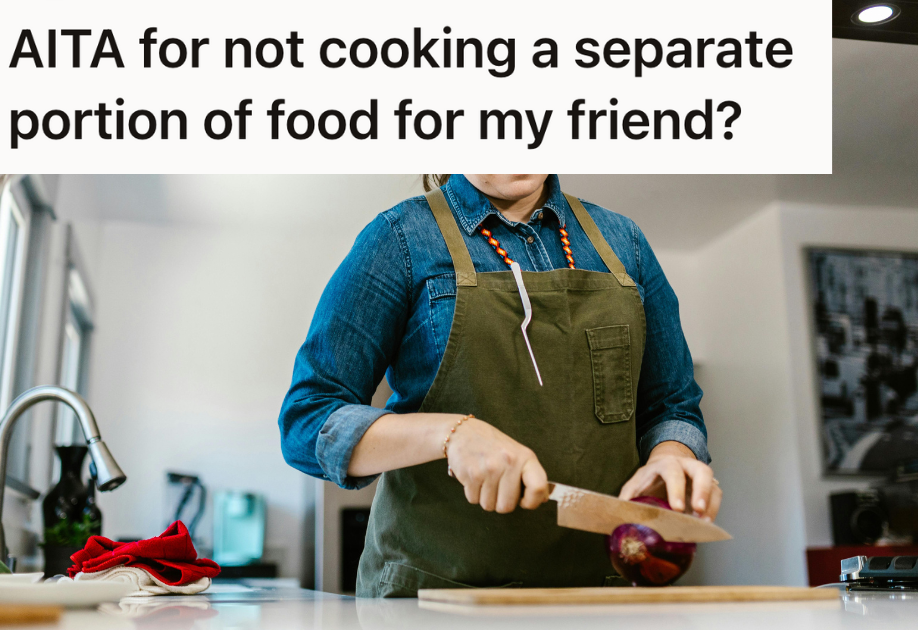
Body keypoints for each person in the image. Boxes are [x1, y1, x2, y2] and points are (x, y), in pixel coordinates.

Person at [279, 174, 720, 597]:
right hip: (438, 598)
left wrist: (671, 456)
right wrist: (451, 434)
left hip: (603, 597)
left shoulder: (626, 242)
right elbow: (308, 420)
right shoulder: (398, 238)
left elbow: (673, 407)